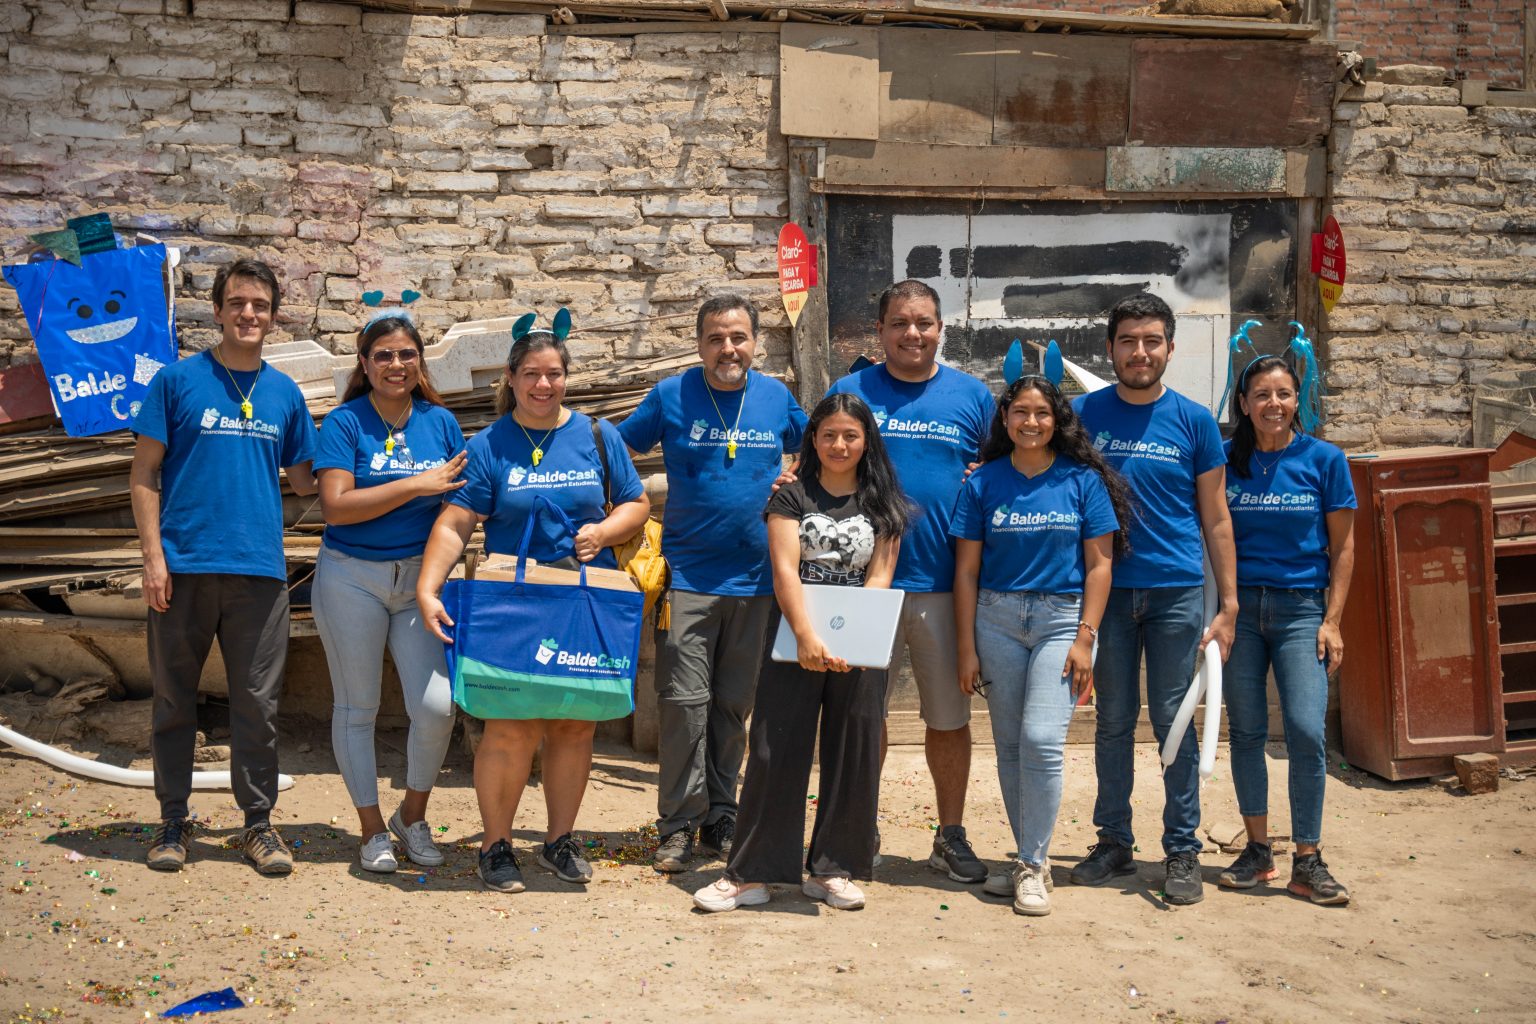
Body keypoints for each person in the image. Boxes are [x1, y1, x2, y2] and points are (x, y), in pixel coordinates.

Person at [415, 316, 650, 893]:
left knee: (574, 725)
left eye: (554, 375)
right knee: (510, 727)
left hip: (583, 602)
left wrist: (606, 531)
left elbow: (637, 503)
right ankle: (495, 847)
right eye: (531, 376)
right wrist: (428, 586)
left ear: (566, 378)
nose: (544, 386)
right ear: (512, 379)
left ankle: (558, 841)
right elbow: (457, 521)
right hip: (515, 606)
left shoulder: (598, 435)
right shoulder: (490, 445)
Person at [129, 258, 318, 876]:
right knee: (174, 700)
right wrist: (154, 558)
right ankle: (172, 820)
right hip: (181, 569)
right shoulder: (178, 382)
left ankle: (258, 825)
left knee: (257, 707)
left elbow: (307, 483)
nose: (248, 315)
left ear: (272, 315)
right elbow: (143, 475)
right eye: (237, 303)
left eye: (260, 305)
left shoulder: (285, 394)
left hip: (259, 574)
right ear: (216, 310)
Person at [693, 394, 908, 912]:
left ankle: (833, 870)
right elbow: (785, 571)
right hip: (792, 639)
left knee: (852, 752)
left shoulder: (885, 504)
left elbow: (879, 575)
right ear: (812, 439)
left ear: (866, 441)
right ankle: (750, 874)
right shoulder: (790, 498)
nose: (839, 444)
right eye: (829, 434)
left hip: (859, 647)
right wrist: (808, 635)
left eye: (850, 435)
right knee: (774, 749)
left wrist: (853, 639)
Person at [618, 294, 807, 873]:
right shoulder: (671, 395)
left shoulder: (775, 397)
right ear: (699, 344)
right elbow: (619, 446)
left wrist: (793, 471)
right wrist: (627, 508)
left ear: (757, 343)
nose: (729, 348)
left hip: (759, 581)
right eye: (716, 338)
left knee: (732, 707)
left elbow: (816, 446)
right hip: (688, 579)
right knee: (682, 706)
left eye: (739, 337)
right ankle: (677, 823)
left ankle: (721, 815)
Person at [1069, 292, 1237, 906]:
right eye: (1128, 341)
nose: (1140, 352)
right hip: (1106, 593)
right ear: (1110, 348)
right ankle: (1113, 841)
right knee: (1111, 720)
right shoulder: (1081, 415)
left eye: (1152, 341)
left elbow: (1216, 519)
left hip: (1175, 592)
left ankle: (1182, 850)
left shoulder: (1194, 421)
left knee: (1173, 722)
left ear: (1170, 347)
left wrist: (1229, 604)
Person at [825, 279, 995, 884]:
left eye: (923, 322)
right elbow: (818, 467)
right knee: (858, 719)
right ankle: (855, 831)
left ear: (940, 328)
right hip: (860, 586)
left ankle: (949, 836)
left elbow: (1001, 473)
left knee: (948, 719)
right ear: (880, 331)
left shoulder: (973, 397)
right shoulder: (850, 392)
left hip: (945, 585)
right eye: (899, 323)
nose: (913, 334)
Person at [951, 374, 1130, 916]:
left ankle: (1031, 862)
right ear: (1004, 420)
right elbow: (965, 572)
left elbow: (1101, 564)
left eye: (1042, 413)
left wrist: (1086, 637)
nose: (1031, 422)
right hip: (995, 618)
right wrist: (966, 646)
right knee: (1008, 745)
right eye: (1020, 412)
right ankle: (1031, 860)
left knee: (1041, 739)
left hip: (1062, 621)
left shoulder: (1082, 481)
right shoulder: (982, 483)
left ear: (1059, 421)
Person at [312, 310, 468, 873]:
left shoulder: (440, 422)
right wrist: (418, 485)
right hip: (351, 576)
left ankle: (412, 815)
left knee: (436, 707)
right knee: (358, 708)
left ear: (419, 361)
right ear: (364, 363)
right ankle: (372, 830)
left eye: (406, 354)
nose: (396, 365)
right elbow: (336, 507)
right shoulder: (345, 423)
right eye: (383, 355)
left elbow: (460, 504)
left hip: (420, 583)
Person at [1218, 355, 1356, 905]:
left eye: (1283, 394)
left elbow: (1343, 546)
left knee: (1304, 728)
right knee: (1247, 732)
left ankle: (1308, 858)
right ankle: (1257, 850)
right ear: (1244, 404)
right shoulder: (1227, 461)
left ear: (1298, 401)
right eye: (1260, 395)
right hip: (1241, 612)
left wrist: (1334, 621)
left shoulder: (1324, 460)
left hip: (1302, 611)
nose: (1272, 404)